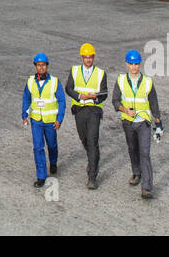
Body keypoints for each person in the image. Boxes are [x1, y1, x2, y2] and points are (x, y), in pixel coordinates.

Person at [114, 48, 163, 199]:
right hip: (128, 122)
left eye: (136, 64)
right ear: (127, 64)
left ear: (140, 64)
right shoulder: (121, 80)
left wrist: (158, 122)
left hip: (143, 122)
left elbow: (153, 103)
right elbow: (115, 101)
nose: (134, 67)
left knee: (145, 153)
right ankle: (136, 173)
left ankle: (147, 187)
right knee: (132, 149)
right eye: (131, 64)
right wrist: (125, 110)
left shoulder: (148, 82)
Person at [64, 43, 108, 190]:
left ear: (93, 57)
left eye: (90, 57)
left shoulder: (101, 73)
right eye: (86, 57)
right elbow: (68, 88)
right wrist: (79, 96)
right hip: (79, 109)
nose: (88, 60)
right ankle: (93, 157)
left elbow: (104, 93)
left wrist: (96, 97)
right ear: (82, 57)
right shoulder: (75, 71)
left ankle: (92, 176)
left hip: (94, 110)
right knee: (84, 138)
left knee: (92, 139)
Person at [21, 52, 66, 188]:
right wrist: (24, 114)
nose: (41, 67)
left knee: (52, 144)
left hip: (50, 121)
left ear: (47, 66)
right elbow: (26, 98)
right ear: (35, 66)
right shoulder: (30, 81)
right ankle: (41, 175)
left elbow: (62, 101)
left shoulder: (54, 82)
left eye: (43, 65)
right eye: (39, 65)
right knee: (38, 147)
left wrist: (59, 119)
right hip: (36, 121)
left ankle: (53, 161)